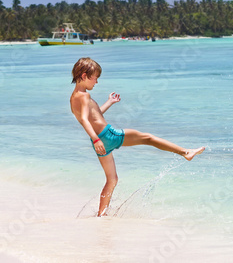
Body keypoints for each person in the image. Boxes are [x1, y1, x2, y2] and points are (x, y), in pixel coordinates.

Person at [70, 57, 205, 217]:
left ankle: (102, 214)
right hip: (106, 136)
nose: (97, 82)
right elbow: (85, 120)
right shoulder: (84, 96)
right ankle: (185, 152)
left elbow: (94, 116)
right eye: (95, 78)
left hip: (100, 143)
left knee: (112, 179)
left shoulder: (75, 97)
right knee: (147, 138)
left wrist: (110, 102)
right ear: (84, 76)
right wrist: (96, 138)